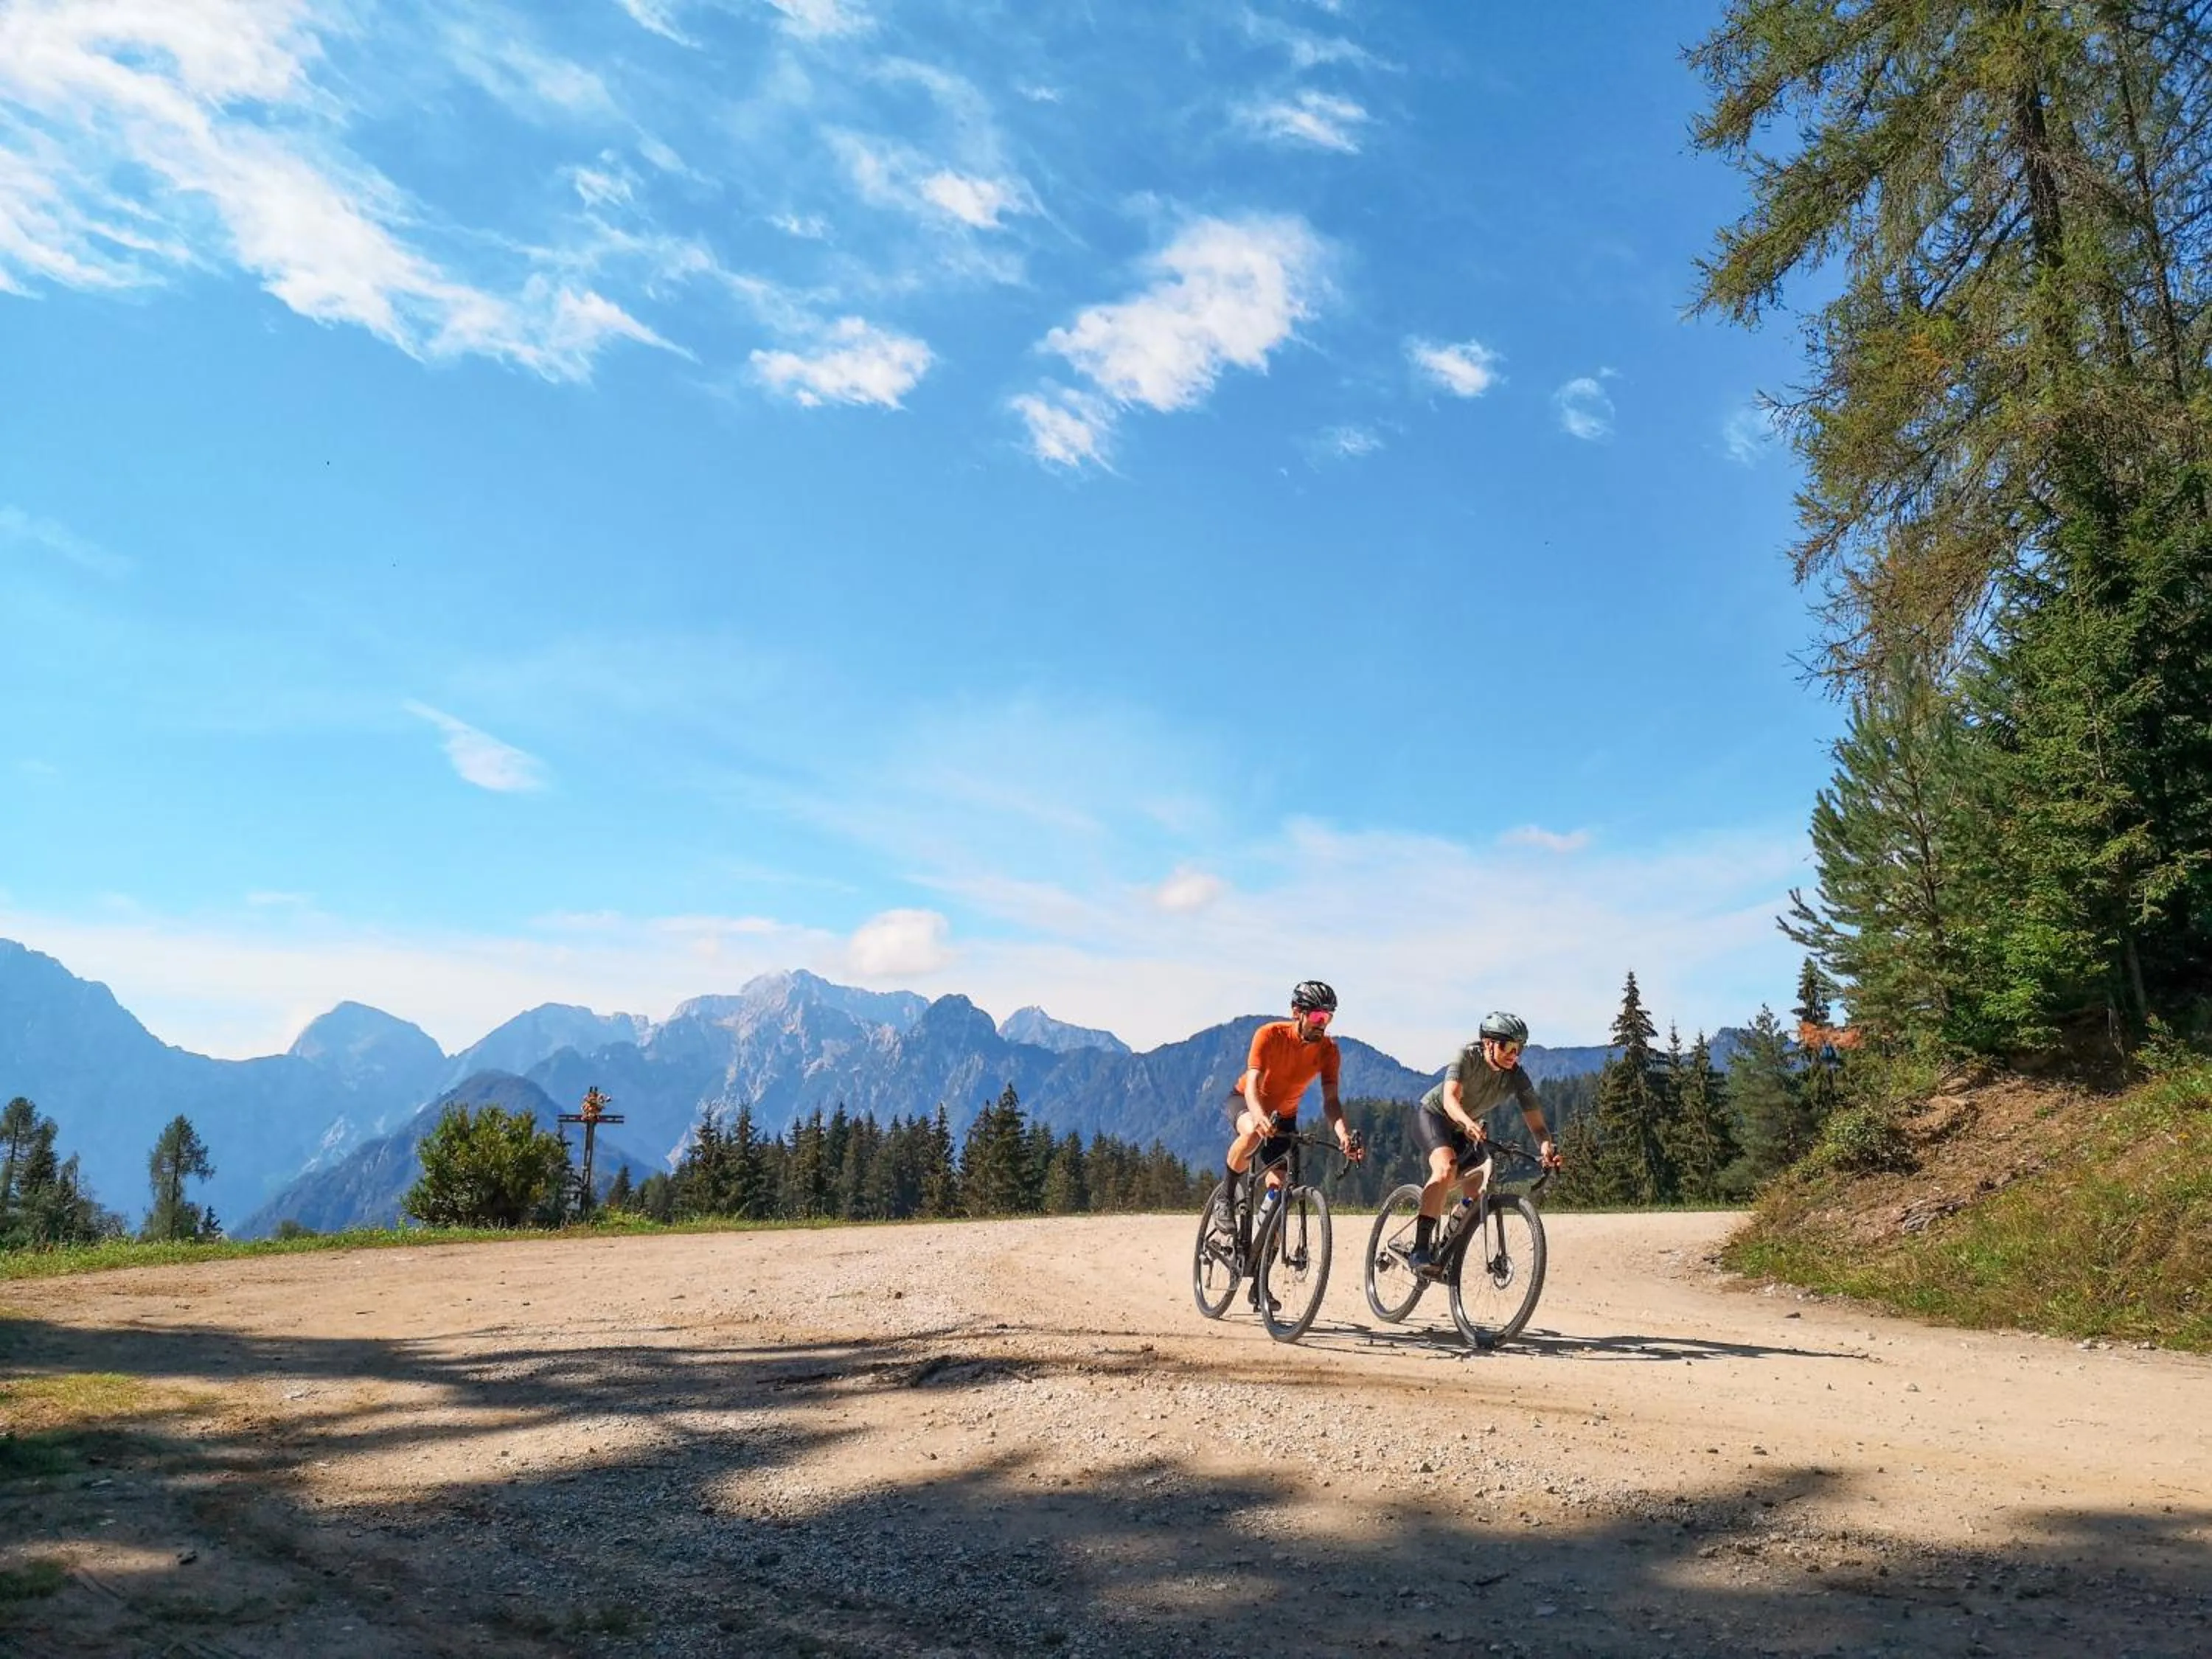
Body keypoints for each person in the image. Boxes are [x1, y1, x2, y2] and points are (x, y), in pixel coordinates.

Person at [1223, 981, 1363, 1288]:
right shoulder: (1270, 1035)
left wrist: (1343, 1135)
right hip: (1248, 1102)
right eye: (1317, 1018)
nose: (1322, 1025)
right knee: (1251, 1135)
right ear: (1297, 1012)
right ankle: (1226, 1196)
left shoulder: (1328, 1051)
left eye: (1328, 1018)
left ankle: (1259, 1283)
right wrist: (1258, 1116)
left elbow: (1331, 1101)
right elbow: (1253, 1084)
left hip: (1284, 1119)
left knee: (1279, 1195)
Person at [1405, 1011, 1559, 1274]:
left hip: (1469, 1128)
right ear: (1488, 1043)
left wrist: (1546, 1148)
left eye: (1519, 1048)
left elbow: (1537, 1126)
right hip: (1435, 1116)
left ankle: (1444, 1246)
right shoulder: (1466, 1056)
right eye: (1508, 1046)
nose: (1514, 1054)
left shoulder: (1516, 1076)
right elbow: (1450, 1100)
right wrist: (1467, 1123)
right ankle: (1419, 1249)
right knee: (1446, 1169)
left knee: (1477, 1194)